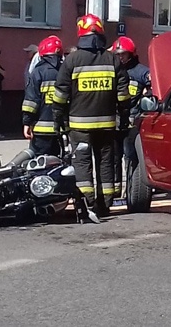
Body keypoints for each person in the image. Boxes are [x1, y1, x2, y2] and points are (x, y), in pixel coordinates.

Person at [52, 14, 130, 220]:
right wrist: (123, 117)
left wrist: (58, 119)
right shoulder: (113, 59)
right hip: (106, 124)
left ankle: (89, 203)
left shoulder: (72, 60)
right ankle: (106, 204)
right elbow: (123, 95)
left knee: (82, 163)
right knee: (105, 162)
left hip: (79, 126)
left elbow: (60, 94)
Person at [110, 37, 150, 203]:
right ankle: (114, 192)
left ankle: (131, 191)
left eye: (123, 54)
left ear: (131, 54)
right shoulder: (110, 70)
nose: (120, 58)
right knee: (113, 158)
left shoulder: (141, 72)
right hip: (113, 122)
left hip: (132, 123)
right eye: (117, 54)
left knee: (130, 157)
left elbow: (152, 92)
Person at [22, 36, 64, 157]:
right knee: (58, 163)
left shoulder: (38, 72)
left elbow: (31, 101)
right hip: (61, 129)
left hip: (41, 130)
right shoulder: (65, 70)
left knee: (39, 163)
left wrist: (27, 122)